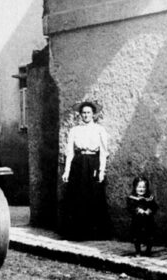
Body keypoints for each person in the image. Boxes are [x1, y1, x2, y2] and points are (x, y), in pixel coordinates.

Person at [61, 101, 111, 240]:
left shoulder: (99, 130)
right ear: (80, 115)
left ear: (93, 115)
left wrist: (101, 171)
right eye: (83, 113)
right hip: (78, 164)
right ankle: (77, 233)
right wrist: (66, 171)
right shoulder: (74, 130)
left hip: (93, 163)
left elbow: (103, 152)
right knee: (77, 195)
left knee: (93, 195)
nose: (86, 115)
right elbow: (69, 152)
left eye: (89, 112)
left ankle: (94, 233)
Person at [126, 176, 158, 256]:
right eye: (139, 187)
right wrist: (137, 210)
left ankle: (148, 250)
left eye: (143, 187)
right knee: (137, 237)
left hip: (148, 222)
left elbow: (155, 207)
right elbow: (130, 207)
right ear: (135, 187)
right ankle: (138, 251)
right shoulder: (132, 198)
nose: (141, 189)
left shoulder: (149, 198)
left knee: (150, 236)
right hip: (137, 222)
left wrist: (149, 210)